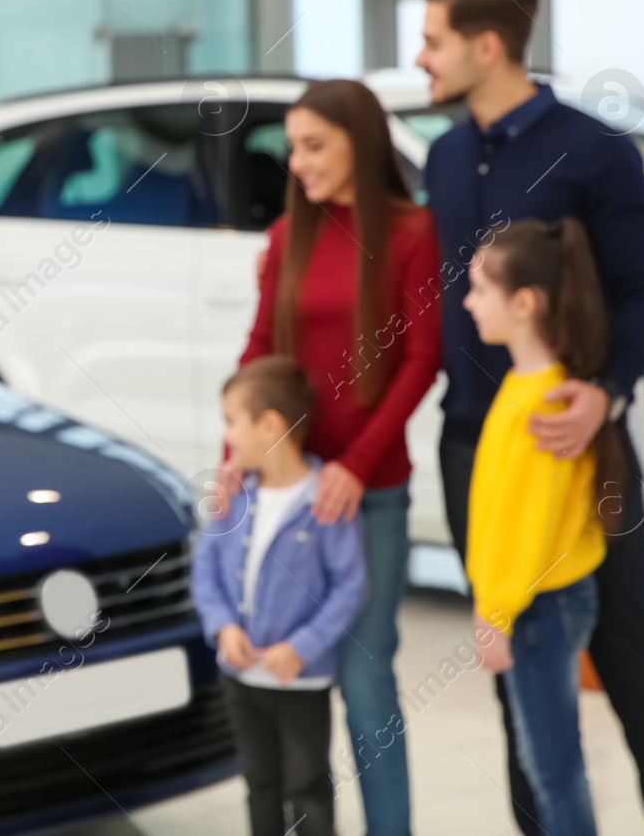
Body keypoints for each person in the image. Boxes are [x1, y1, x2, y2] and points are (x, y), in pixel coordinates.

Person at [415, 0, 644, 835]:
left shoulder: (596, 149)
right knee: (517, 670)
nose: (419, 58)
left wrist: (603, 395)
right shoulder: (445, 154)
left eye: (432, 41)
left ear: (487, 45)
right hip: (477, 448)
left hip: (589, 452)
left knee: (629, 660)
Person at [232, 78, 441, 835]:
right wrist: (236, 448)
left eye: (315, 145)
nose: (299, 162)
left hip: (368, 493)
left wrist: (354, 463)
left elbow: (422, 359)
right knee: (288, 672)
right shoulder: (292, 235)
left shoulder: (415, 232)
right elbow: (263, 347)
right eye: (292, 147)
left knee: (364, 674)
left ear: (363, 141)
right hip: (287, 492)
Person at [465, 217, 620, 836]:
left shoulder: (548, 404)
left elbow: (529, 527)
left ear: (523, 304)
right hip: (535, 603)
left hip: (537, 607)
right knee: (546, 763)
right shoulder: (529, 383)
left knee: (553, 769)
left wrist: (496, 609)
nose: (467, 301)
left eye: (479, 289)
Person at [192, 356, 366, 836]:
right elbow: (205, 571)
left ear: (270, 425)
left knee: (307, 785)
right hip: (240, 678)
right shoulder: (233, 498)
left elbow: (349, 587)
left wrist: (301, 649)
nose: (227, 437)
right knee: (259, 783)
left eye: (232, 422)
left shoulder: (326, 503)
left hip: (299, 682)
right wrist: (223, 628)